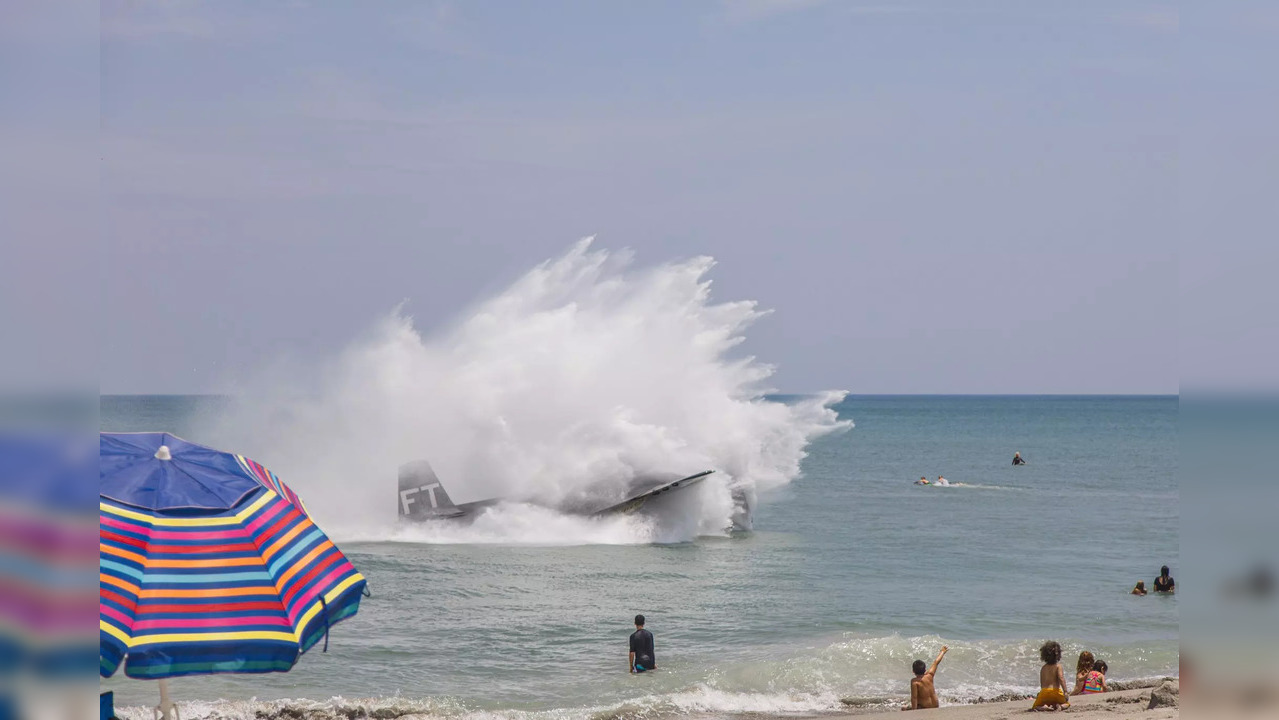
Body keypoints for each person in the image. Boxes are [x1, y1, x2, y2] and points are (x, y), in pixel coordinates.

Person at [902, 645, 947, 710]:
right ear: (925, 670)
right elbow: (936, 662)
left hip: (926, 707)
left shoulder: (915, 682)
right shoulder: (930, 675)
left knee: (903, 708)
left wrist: (914, 711)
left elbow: (914, 698)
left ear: (913, 671)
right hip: (935, 705)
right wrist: (942, 652)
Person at [1032, 641, 1070, 711]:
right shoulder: (1058, 666)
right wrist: (1065, 691)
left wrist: (1041, 694)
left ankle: (1044, 707)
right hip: (1056, 692)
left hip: (1044, 692)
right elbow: (1061, 678)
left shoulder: (1043, 668)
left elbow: (1042, 684)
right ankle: (1060, 706)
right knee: (1067, 703)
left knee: (1035, 706)